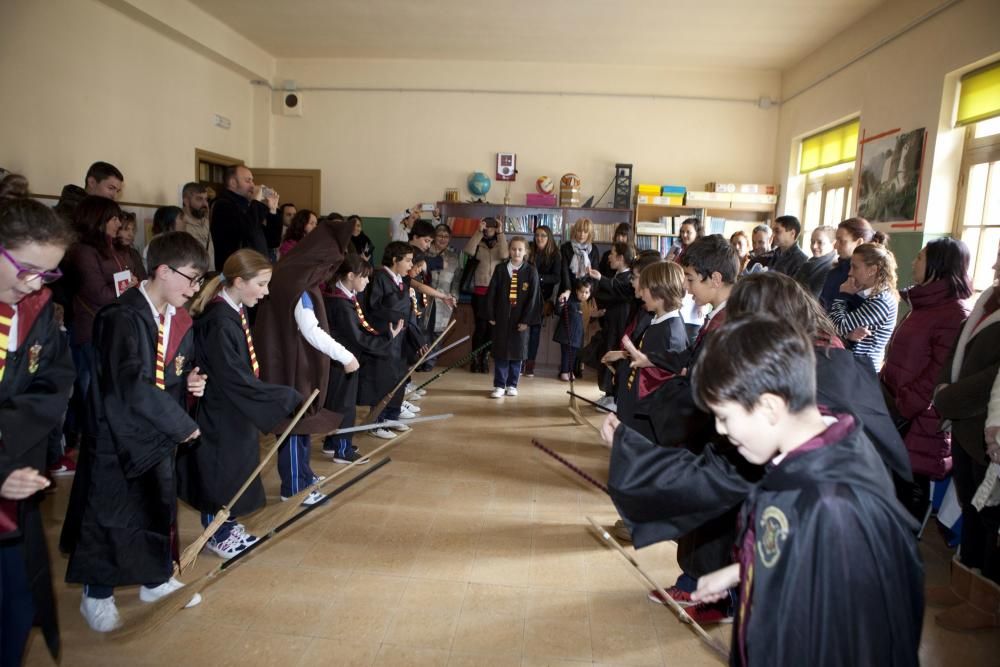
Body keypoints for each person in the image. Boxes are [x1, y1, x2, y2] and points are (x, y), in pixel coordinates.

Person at [607, 271, 913, 612]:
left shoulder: (805, 407)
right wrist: (743, 572)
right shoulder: (824, 362)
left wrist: (632, 451)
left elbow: (727, 472)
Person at [687, 317, 923, 666]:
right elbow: (799, 552)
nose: (721, 431)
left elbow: (855, 642)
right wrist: (742, 571)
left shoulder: (836, 506)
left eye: (724, 416)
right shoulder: (807, 456)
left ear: (769, 406)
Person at [61, 232, 209, 632]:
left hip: (158, 432)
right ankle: (97, 593)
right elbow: (127, 384)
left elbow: (176, 369)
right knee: (109, 513)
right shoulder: (120, 317)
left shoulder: (179, 318)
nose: (195, 289)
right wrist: (183, 425)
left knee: (157, 508)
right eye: (191, 279)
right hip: (117, 435)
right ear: (163, 270)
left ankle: (156, 579)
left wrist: (192, 383)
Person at [179, 249, 303, 559]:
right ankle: (215, 532)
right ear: (238, 281)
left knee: (235, 470)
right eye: (261, 284)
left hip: (233, 408)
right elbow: (233, 377)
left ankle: (227, 523)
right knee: (220, 473)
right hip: (220, 411)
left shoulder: (234, 307)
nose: (266, 291)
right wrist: (281, 396)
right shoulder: (219, 321)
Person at [0, 198, 76, 664]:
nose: (33, 283)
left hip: (13, 485)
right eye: (25, 268)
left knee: (17, 606)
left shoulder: (36, 308)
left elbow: (52, 380)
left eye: (46, 274)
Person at [254, 219, 358, 505]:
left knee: (303, 422)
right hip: (289, 367)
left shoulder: (293, 274)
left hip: (291, 363)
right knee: (294, 424)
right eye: (327, 267)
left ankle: (304, 473)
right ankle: (294, 485)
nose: (328, 274)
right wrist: (346, 356)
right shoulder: (297, 285)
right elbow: (311, 330)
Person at [932, 242, 1000, 631]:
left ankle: (984, 600)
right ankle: (964, 583)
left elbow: (993, 377)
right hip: (963, 423)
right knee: (970, 507)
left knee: (990, 515)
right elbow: (956, 353)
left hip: (983, 423)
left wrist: (950, 397)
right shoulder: (987, 299)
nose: (994, 264)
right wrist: (944, 390)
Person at [881, 238, 972, 522]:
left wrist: (905, 403)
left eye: (919, 257)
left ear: (937, 265)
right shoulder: (923, 304)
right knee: (894, 484)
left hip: (917, 415)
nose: (913, 262)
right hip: (897, 407)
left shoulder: (953, 313)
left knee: (912, 487)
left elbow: (938, 372)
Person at [324, 254, 404, 450]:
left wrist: (385, 336)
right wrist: (388, 340)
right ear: (351, 275)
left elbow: (361, 328)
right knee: (344, 406)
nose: (368, 281)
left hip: (345, 359)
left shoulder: (346, 297)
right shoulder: (340, 303)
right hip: (342, 362)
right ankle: (342, 449)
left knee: (338, 403)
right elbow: (357, 337)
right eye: (365, 277)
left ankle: (332, 443)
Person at [604, 260, 687, 441]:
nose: (640, 294)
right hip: (632, 412)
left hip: (644, 422)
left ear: (659, 293)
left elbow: (658, 386)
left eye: (645, 289)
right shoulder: (657, 321)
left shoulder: (671, 332)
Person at [362, 241, 419, 428]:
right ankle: (378, 421)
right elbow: (373, 307)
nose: (411, 265)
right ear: (395, 260)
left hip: (400, 338)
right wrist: (396, 317)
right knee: (383, 379)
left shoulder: (400, 280)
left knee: (398, 376)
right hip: (385, 336)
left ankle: (392, 416)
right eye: (408, 261)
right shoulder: (379, 277)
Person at [829, 236, 898, 372]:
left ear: (872, 270)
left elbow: (835, 326)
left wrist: (842, 296)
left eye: (855, 267)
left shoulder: (881, 301)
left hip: (863, 371)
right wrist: (847, 334)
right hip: (852, 366)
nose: (850, 273)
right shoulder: (864, 293)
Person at [487, 236, 541, 398]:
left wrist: (526, 320)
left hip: (520, 320)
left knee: (517, 353)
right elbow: (492, 294)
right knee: (501, 352)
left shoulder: (531, 271)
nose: (516, 252)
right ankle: (499, 385)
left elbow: (534, 298)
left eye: (520, 249)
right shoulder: (501, 269)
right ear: (509, 250)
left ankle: (512, 384)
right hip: (502, 318)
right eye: (513, 249)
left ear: (525, 252)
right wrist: (491, 314)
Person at [588, 241, 635, 410]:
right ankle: (608, 394)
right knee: (605, 356)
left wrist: (601, 278)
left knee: (615, 360)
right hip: (610, 324)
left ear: (621, 258)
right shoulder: (617, 275)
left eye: (612, 253)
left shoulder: (628, 278)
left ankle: (614, 398)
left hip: (620, 326)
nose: (609, 257)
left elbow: (619, 289)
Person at [209, 165, 282, 270]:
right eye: (248, 181)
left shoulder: (247, 206)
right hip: (237, 272)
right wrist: (256, 201)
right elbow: (248, 231)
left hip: (255, 271)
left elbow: (272, 241)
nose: (253, 185)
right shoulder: (223, 205)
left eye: (252, 181)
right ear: (233, 183)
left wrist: (273, 210)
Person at [464, 218, 508, 373]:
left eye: (492, 226)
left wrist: (501, 232)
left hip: (495, 293)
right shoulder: (479, 242)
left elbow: (505, 255)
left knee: (491, 328)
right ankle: (475, 359)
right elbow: (468, 251)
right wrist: (478, 231)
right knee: (480, 327)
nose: (489, 228)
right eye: (486, 225)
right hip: (480, 292)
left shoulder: (500, 244)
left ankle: (485, 358)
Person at [525, 225, 563, 377]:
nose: (539, 238)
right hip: (525, 295)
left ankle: (529, 365)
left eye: (543, 235)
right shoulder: (529, 249)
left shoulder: (555, 254)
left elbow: (556, 277)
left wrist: (538, 278)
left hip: (542, 298)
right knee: (520, 330)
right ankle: (517, 361)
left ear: (549, 237)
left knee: (534, 332)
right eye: (537, 235)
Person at [818, 217, 874, 310]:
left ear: (859, 243)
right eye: (836, 240)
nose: (835, 246)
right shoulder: (834, 272)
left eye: (841, 241)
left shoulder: (867, 279)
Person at [54, 161, 123, 222]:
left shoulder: (102, 211)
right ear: (92, 182)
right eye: (111, 188)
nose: (114, 196)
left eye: (117, 191)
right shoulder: (69, 212)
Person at [425, 223, 460, 339]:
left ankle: (433, 357)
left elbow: (456, 282)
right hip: (425, 300)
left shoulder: (454, 257)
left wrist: (454, 296)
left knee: (437, 338)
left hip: (444, 302)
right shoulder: (425, 253)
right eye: (440, 236)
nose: (443, 239)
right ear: (434, 237)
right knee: (422, 337)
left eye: (446, 236)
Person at [554, 278, 590, 382]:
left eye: (587, 292)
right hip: (567, 334)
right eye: (582, 292)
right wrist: (561, 301)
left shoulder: (585, 304)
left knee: (573, 354)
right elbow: (558, 310)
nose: (584, 294)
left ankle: (570, 371)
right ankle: (564, 371)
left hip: (577, 336)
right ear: (577, 291)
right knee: (566, 353)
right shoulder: (570, 299)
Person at [559, 218, 601, 301]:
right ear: (575, 231)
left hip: (587, 291)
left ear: (589, 234)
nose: (582, 234)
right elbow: (565, 271)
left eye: (585, 232)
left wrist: (590, 293)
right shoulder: (566, 247)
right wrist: (568, 290)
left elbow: (595, 272)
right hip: (569, 288)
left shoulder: (594, 249)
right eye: (579, 231)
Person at [180, 182, 215, 273]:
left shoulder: (207, 221)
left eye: (206, 199)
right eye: (199, 199)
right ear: (186, 201)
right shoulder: (180, 224)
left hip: (210, 275)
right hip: (191, 278)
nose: (205, 204)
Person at [794, 225, 837, 297]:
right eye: (812, 242)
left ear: (833, 244)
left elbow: (813, 299)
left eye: (820, 242)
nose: (814, 246)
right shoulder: (810, 262)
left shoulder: (830, 269)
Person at [112, 211, 147, 286]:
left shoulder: (134, 253)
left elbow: (143, 279)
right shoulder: (108, 253)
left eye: (133, 230)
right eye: (126, 229)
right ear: (116, 229)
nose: (131, 234)